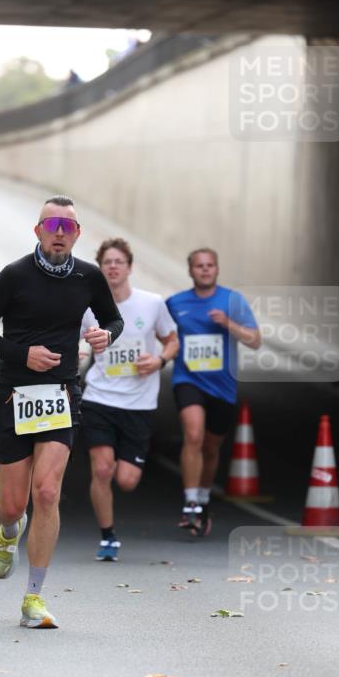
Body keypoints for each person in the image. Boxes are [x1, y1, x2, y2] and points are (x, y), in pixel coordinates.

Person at [0, 195, 123, 629]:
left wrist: (105, 335)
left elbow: (113, 319)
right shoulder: (14, 276)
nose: (59, 233)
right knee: (13, 505)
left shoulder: (89, 277)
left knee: (48, 493)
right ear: (37, 231)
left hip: (61, 396)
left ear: (77, 234)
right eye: (52, 225)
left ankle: (33, 598)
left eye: (67, 227)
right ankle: (8, 530)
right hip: (13, 396)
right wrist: (22, 354)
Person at [80, 239, 178, 561]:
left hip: (138, 404)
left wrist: (160, 360)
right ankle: (107, 537)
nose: (113, 267)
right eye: (107, 262)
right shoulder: (88, 308)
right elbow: (69, 340)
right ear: (100, 268)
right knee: (102, 469)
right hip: (99, 398)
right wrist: (75, 351)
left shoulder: (151, 304)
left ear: (130, 267)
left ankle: (127, 478)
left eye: (118, 261)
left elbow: (172, 340)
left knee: (126, 480)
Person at [167, 248, 261, 535]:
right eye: (199, 265)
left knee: (210, 447)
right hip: (188, 379)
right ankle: (190, 503)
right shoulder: (175, 303)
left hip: (222, 386)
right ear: (190, 270)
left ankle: (204, 499)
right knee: (194, 435)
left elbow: (255, 340)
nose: (205, 269)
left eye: (210, 265)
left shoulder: (232, 300)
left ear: (217, 269)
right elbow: (160, 334)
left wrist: (228, 323)